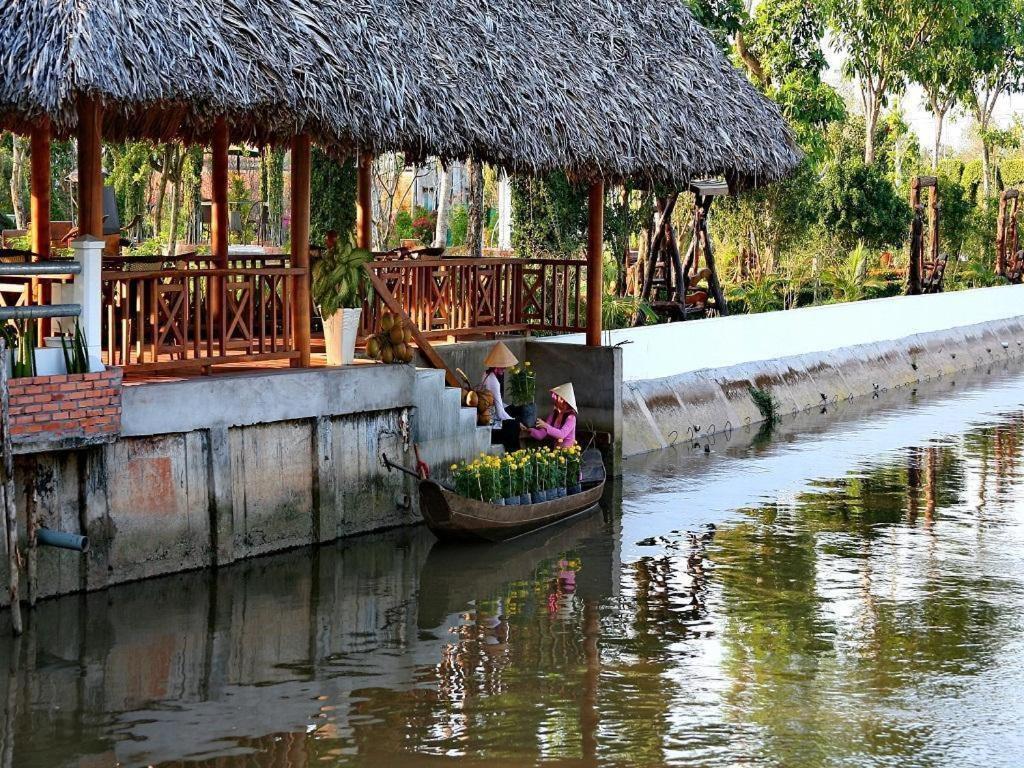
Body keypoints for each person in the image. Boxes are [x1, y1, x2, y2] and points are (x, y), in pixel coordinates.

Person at [481, 342, 519, 451]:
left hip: (490, 412)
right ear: (497, 367)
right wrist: (514, 421)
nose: (504, 370)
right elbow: (500, 412)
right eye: (503, 368)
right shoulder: (494, 382)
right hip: (491, 418)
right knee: (514, 424)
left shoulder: (485, 373)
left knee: (513, 409)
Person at [525, 383, 577, 448]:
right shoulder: (553, 414)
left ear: (564, 401)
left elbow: (562, 434)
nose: (555, 399)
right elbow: (541, 435)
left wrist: (545, 425)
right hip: (557, 452)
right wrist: (529, 429)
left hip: (567, 453)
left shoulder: (571, 417)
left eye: (557, 397)